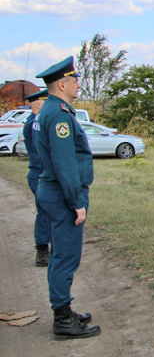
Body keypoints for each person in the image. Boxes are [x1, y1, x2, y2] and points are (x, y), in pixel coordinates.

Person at [34, 56, 100, 338]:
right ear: (62, 84)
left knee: (59, 255)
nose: (77, 86)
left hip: (50, 190)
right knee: (66, 257)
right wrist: (76, 202)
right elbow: (65, 163)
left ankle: (64, 310)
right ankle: (62, 320)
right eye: (74, 81)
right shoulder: (59, 114)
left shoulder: (49, 110)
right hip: (62, 195)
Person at [23, 89, 51, 267]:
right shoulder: (34, 124)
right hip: (39, 173)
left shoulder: (34, 122)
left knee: (48, 211)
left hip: (40, 173)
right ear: (39, 104)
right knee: (45, 211)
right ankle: (42, 250)